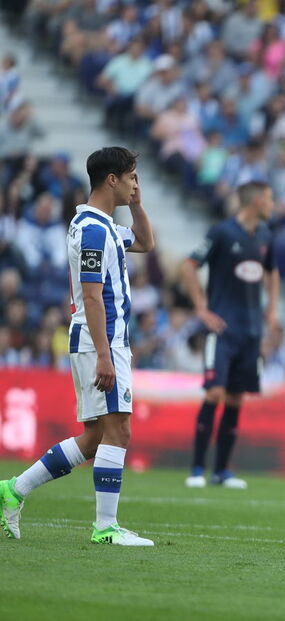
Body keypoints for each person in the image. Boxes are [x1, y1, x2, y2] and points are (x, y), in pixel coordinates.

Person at [0, 146, 156, 545]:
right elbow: (91, 296)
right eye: (132, 177)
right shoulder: (91, 230)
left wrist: (138, 205)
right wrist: (105, 355)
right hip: (98, 342)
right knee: (118, 431)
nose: (135, 183)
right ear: (112, 180)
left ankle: (13, 490)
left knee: (93, 438)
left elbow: (144, 242)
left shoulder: (101, 224)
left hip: (99, 341)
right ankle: (105, 527)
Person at [180, 181, 279, 489]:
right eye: (270, 198)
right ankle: (197, 469)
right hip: (222, 329)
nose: (273, 205)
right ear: (257, 200)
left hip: (251, 331)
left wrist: (272, 310)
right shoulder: (221, 233)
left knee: (236, 399)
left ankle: (221, 471)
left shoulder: (265, 236)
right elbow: (189, 265)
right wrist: (201, 308)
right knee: (214, 393)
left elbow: (272, 271)